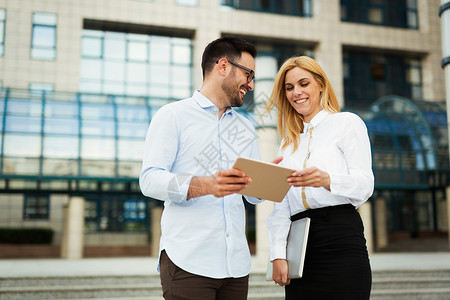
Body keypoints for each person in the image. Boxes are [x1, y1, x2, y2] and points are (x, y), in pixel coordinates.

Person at [139, 36, 261, 300]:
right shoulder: (173, 116)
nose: (251, 85)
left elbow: (252, 196)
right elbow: (149, 180)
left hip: (236, 267)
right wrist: (207, 185)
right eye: (248, 74)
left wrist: (269, 179)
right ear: (224, 66)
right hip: (188, 263)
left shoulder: (246, 127)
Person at [265, 56, 374, 300]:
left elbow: (365, 185)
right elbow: (281, 206)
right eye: (290, 87)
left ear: (321, 85)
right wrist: (277, 254)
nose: (297, 93)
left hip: (341, 238)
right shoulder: (286, 143)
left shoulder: (347, 123)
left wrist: (327, 180)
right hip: (299, 244)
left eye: (304, 83)